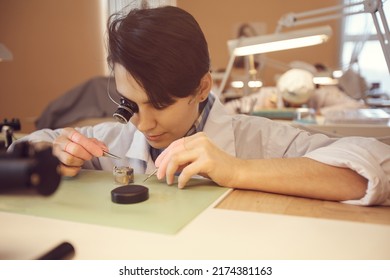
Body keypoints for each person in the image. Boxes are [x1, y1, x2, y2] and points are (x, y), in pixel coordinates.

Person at [11, 6, 390, 206]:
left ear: (201, 86)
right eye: (131, 104)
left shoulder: (259, 141)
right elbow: (26, 144)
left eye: (159, 104)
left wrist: (238, 170)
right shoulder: (113, 142)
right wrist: (52, 152)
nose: (142, 125)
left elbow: (376, 168)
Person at [224, 68, 366, 115]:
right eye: (289, 103)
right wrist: (260, 110)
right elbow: (230, 108)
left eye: (299, 104)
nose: (294, 108)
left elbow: (358, 106)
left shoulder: (321, 96)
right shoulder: (267, 94)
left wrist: (321, 112)